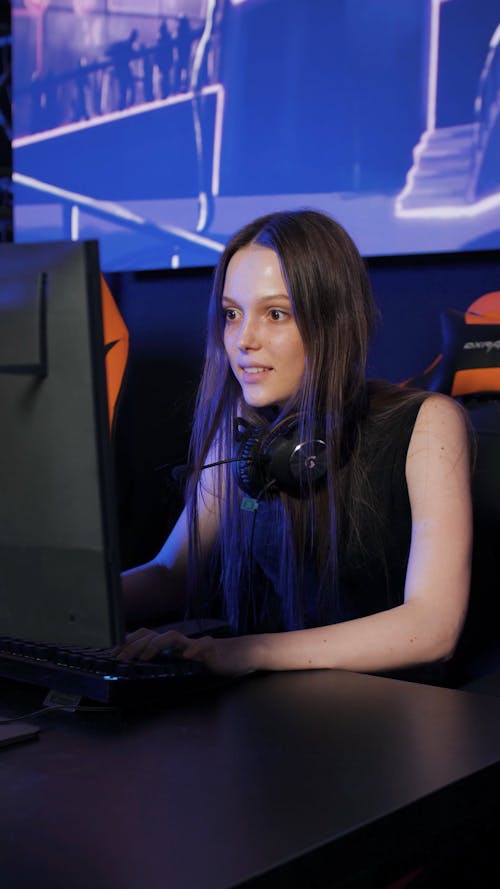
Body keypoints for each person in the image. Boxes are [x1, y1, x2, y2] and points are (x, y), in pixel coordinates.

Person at [119, 210, 472, 680]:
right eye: (232, 313)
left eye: (276, 314)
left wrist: (248, 653)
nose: (243, 339)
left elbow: (432, 627)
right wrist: (55, 606)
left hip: (394, 717)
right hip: (274, 716)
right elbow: (172, 573)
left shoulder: (427, 424)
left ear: (333, 321)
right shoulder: (243, 428)